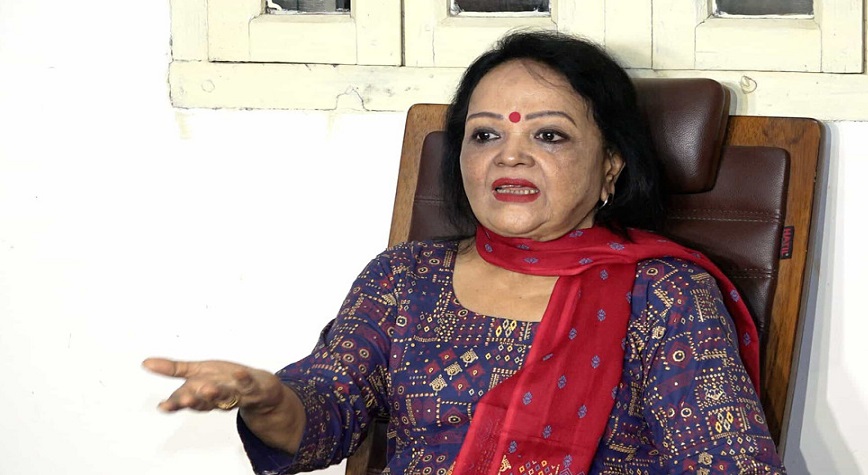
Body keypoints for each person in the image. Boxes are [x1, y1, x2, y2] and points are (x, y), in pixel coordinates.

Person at [144, 31, 786, 474]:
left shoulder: (665, 294)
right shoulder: (403, 279)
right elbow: (324, 417)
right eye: (485, 135)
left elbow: (730, 463)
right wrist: (266, 396)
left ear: (610, 167)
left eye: (550, 135)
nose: (510, 155)